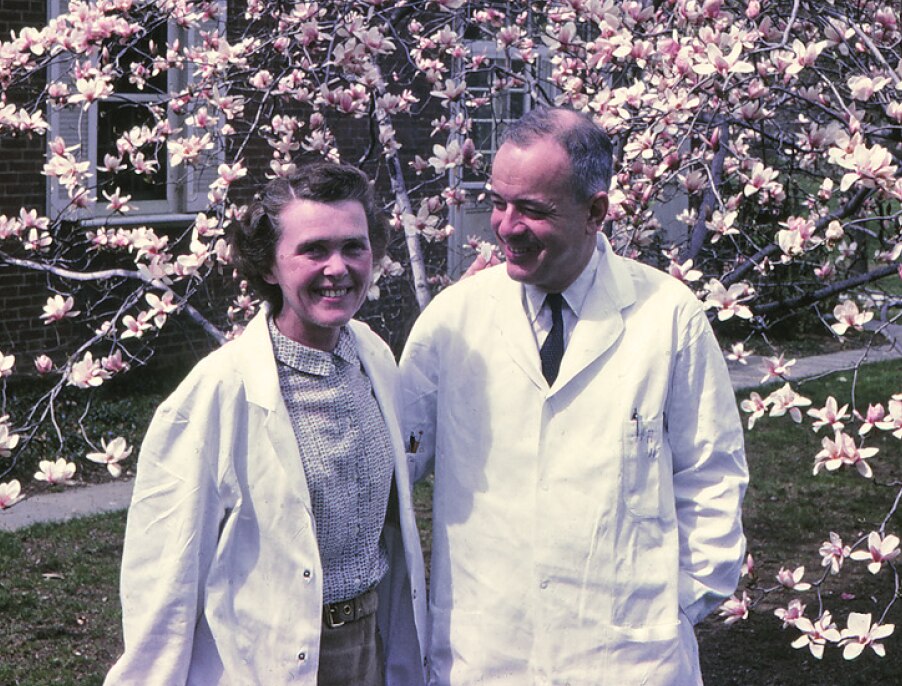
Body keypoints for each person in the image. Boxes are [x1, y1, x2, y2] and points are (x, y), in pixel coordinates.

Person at [399, 106, 748, 685]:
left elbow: (712, 477)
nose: (506, 226)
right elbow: (390, 470)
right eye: (499, 202)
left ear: (595, 212)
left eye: (533, 210)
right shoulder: (453, 321)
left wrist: (678, 608)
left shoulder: (668, 316)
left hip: (628, 658)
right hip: (485, 656)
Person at [105, 162, 428, 686]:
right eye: (314, 250)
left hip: (370, 646)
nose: (338, 268)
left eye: (354, 246)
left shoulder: (374, 357)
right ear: (270, 267)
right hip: (268, 659)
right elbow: (164, 576)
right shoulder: (217, 393)